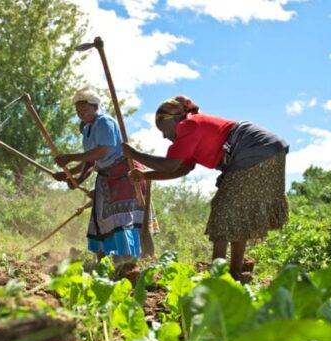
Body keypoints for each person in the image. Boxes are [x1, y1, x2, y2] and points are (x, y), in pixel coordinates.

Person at [122, 96, 290, 281]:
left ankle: (218, 276)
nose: (164, 136)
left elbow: (170, 164)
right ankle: (233, 273)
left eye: (163, 130)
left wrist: (134, 154)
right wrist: (145, 175)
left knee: (223, 210)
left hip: (254, 150)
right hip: (267, 150)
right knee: (238, 213)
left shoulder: (188, 125)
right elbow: (182, 169)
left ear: (175, 120)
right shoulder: (190, 132)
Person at [53, 87, 147, 261]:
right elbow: (89, 162)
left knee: (123, 217)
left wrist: (70, 157)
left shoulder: (104, 122)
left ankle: (127, 260)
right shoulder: (87, 129)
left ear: (95, 107)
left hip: (124, 175)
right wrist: (72, 177)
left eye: (85, 109)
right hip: (107, 177)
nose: (81, 113)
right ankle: (105, 260)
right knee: (102, 217)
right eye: (78, 111)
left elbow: (102, 152)